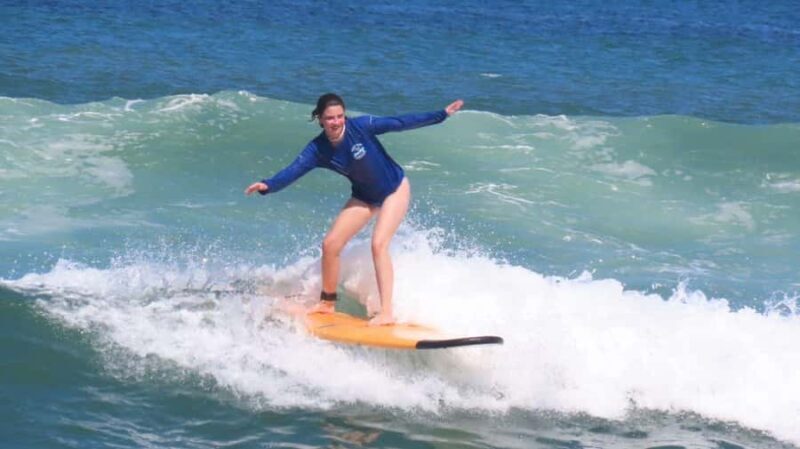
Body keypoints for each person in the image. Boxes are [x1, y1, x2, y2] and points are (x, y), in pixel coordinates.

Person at [246, 93, 463, 325]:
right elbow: (294, 170)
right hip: (365, 196)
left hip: (395, 189)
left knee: (378, 244)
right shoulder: (318, 149)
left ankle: (386, 312)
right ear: (320, 119)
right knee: (330, 245)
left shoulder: (361, 127)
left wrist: (441, 115)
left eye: (340, 116)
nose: (337, 122)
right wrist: (268, 185)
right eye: (330, 118)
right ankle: (327, 303)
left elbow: (399, 123)